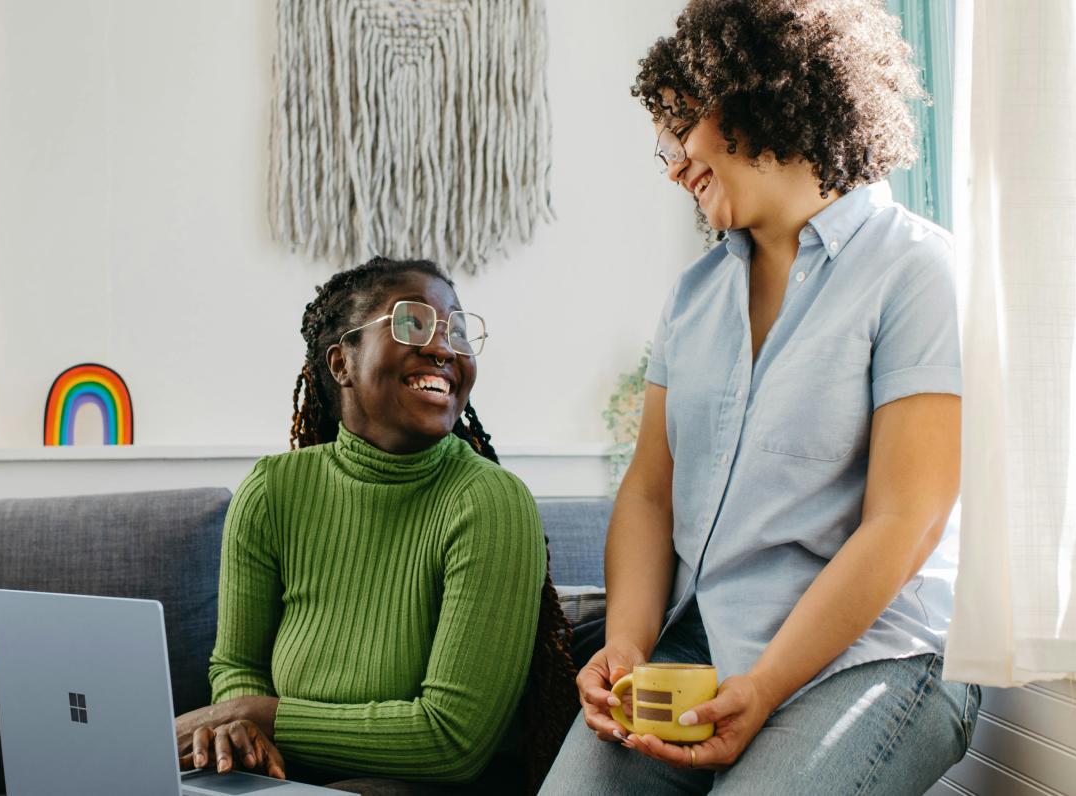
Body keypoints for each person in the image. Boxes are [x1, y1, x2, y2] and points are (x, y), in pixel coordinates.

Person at [541, 1, 980, 793]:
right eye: (662, 151)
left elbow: (905, 522)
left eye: (682, 134)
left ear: (758, 95)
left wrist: (768, 684)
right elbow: (649, 492)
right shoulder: (693, 295)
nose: (674, 166)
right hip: (698, 651)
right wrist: (630, 647)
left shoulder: (917, 271)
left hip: (873, 661)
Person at [176, 257, 580, 794]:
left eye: (456, 331)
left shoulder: (489, 501)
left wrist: (265, 716)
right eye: (412, 323)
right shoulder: (273, 489)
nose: (443, 348)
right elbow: (237, 663)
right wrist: (242, 728)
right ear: (342, 363)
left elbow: (453, 742)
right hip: (279, 780)